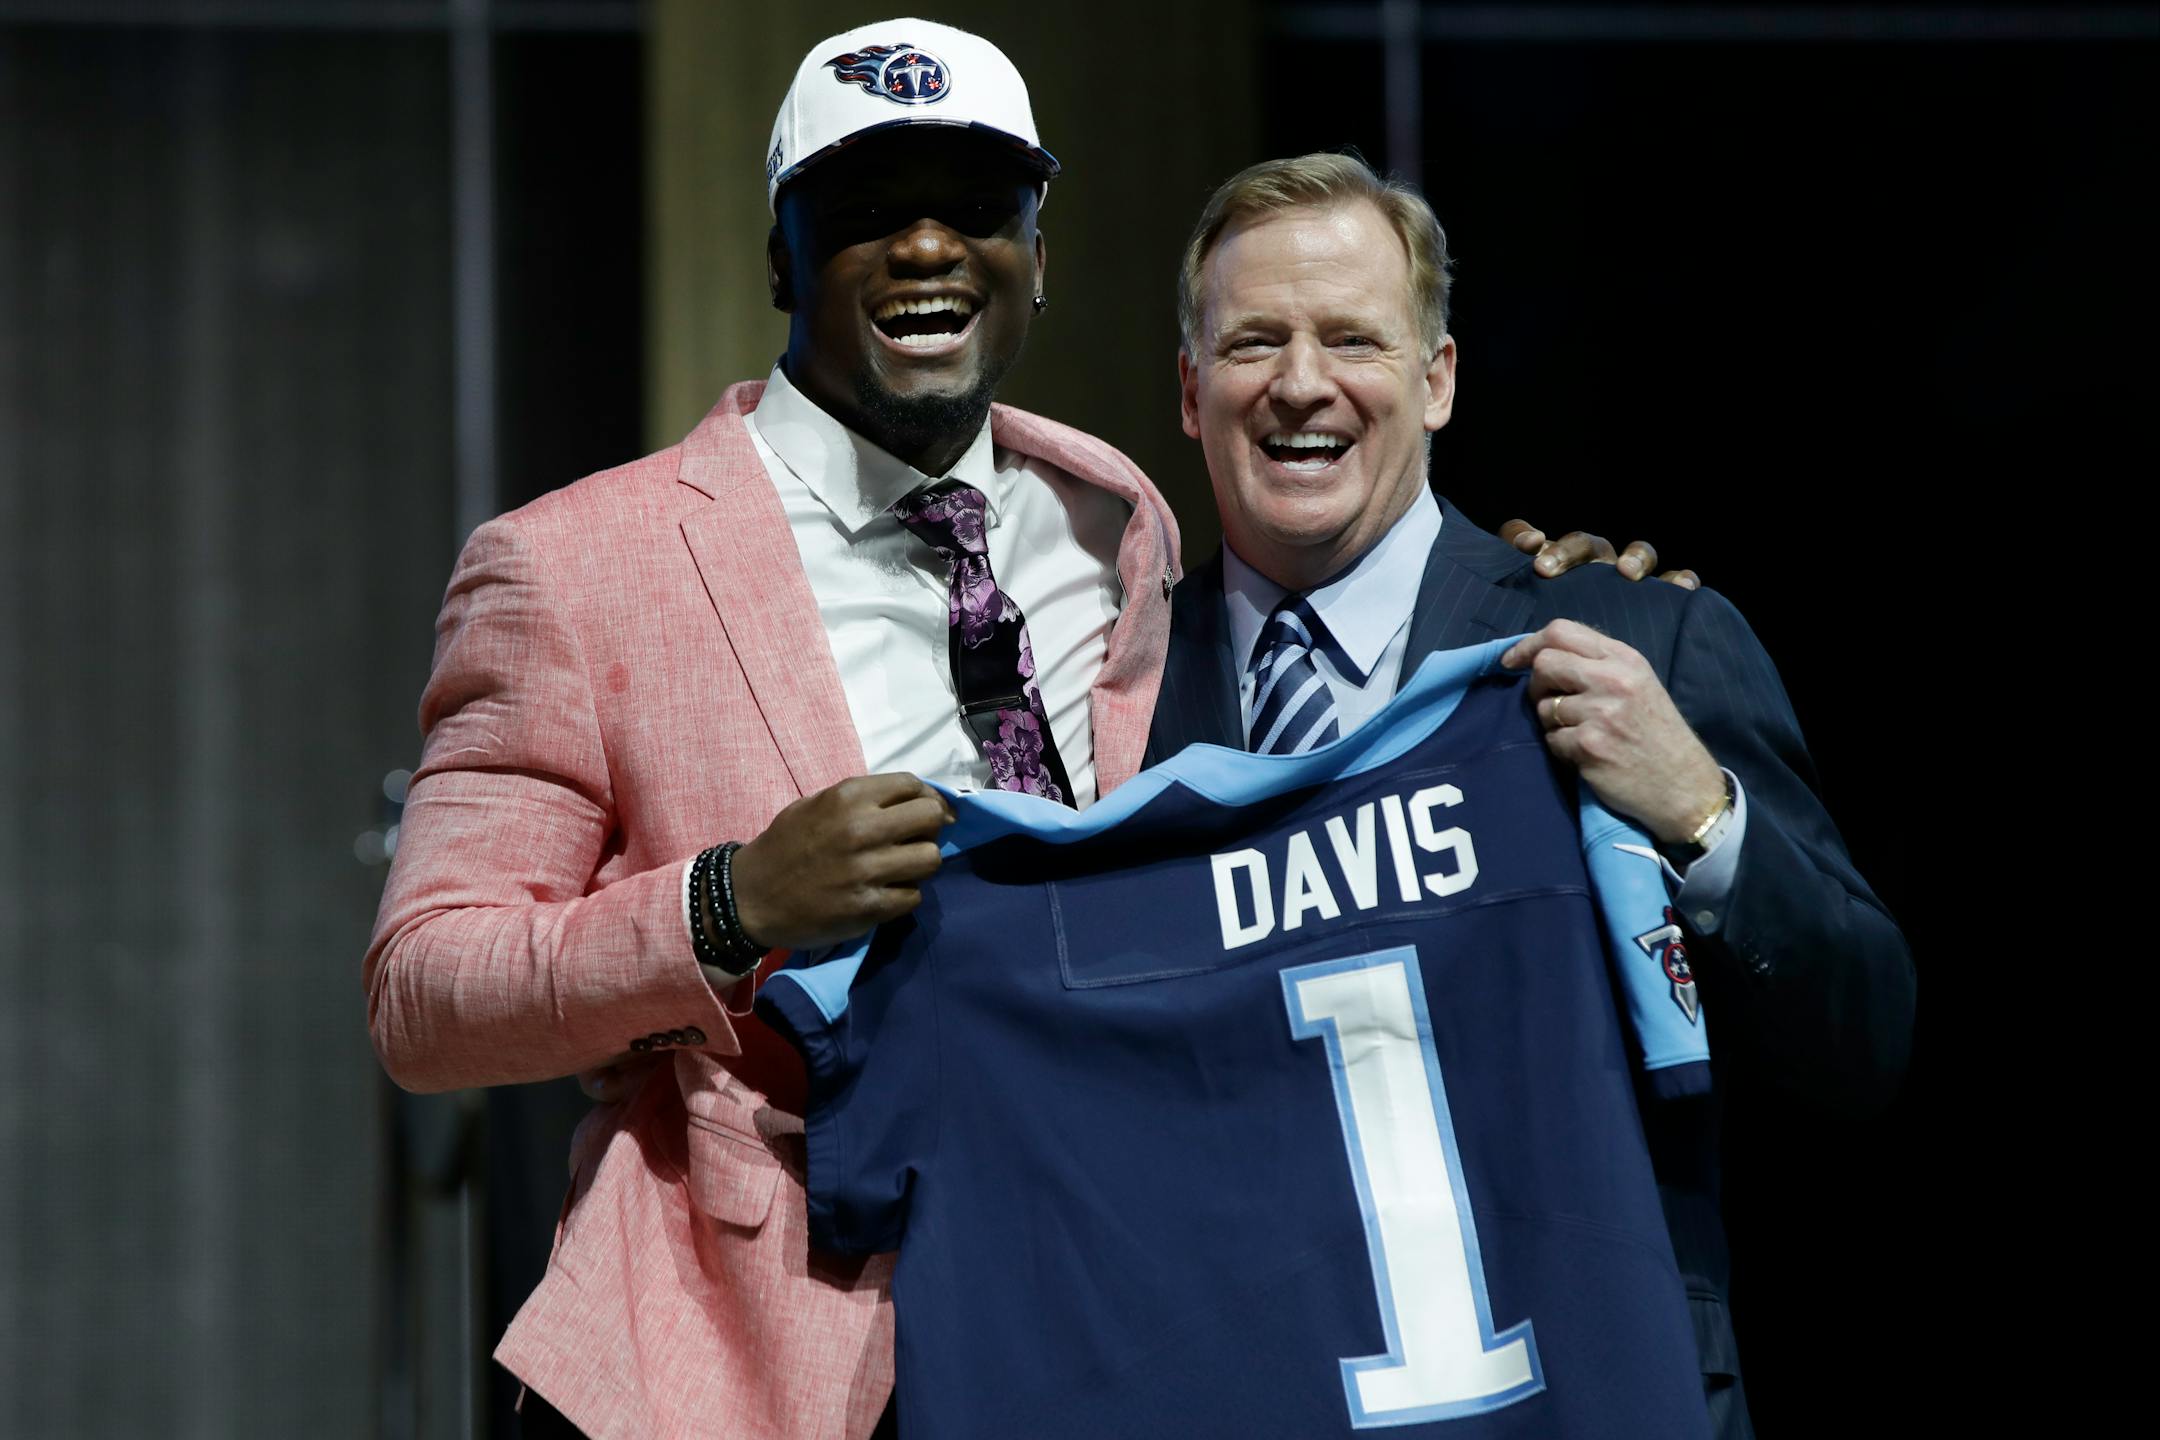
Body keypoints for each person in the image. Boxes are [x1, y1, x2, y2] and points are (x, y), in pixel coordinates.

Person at [368, 21, 1672, 1438]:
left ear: (1037, 256)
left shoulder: (1114, 523)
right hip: (741, 1362)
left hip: (1099, 1325)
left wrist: (1523, 575)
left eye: (978, 211)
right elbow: (426, 990)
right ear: (779, 259)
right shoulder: (574, 567)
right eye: (865, 212)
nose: (927, 249)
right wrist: (731, 905)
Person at [1144, 152, 1917, 1439]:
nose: (1299, 383)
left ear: (1437, 379)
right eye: (1254, 342)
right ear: (1189, 389)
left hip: (1593, 1389)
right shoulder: (1108, 696)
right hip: (1244, 1391)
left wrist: (1701, 814)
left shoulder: (1635, 637)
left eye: (1354, 339)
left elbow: (1865, 1038)